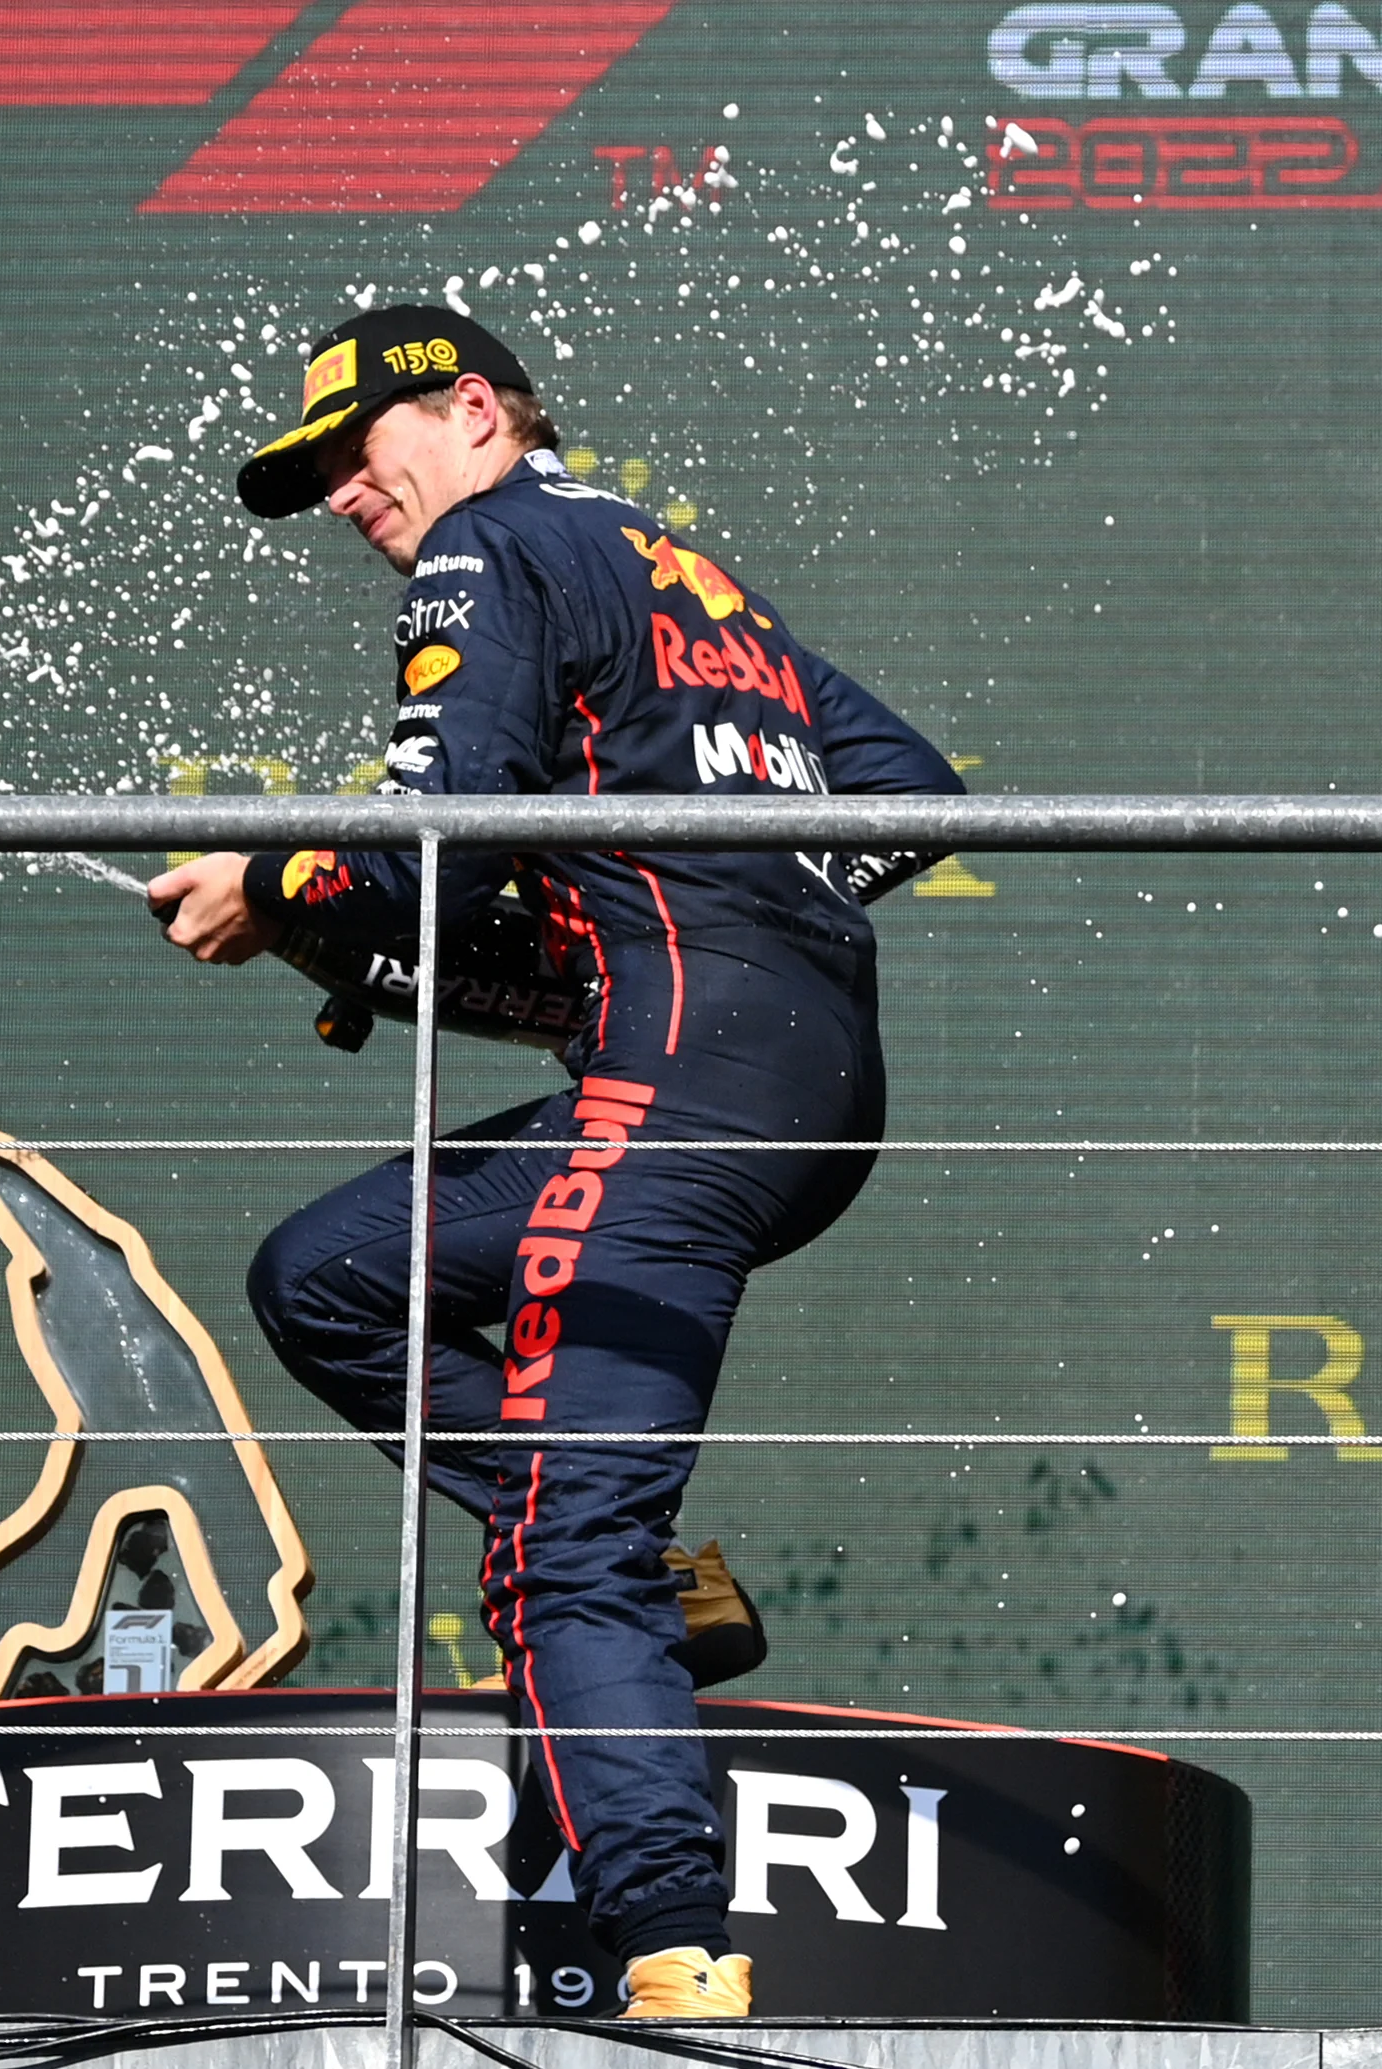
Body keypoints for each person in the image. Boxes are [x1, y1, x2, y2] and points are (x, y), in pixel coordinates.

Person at [152, 305, 961, 2020]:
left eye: (354, 455)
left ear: (466, 412)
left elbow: (446, 837)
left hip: (673, 1090)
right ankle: (655, 1593)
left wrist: (279, 886)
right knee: (326, 1276)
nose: (339, 502)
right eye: (310, 480)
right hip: (794, 1080)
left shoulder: (484, 547)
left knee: (568, 1554)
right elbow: (907, 790)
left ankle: (671, 1945)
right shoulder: (679, 566)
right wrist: (711, 928)